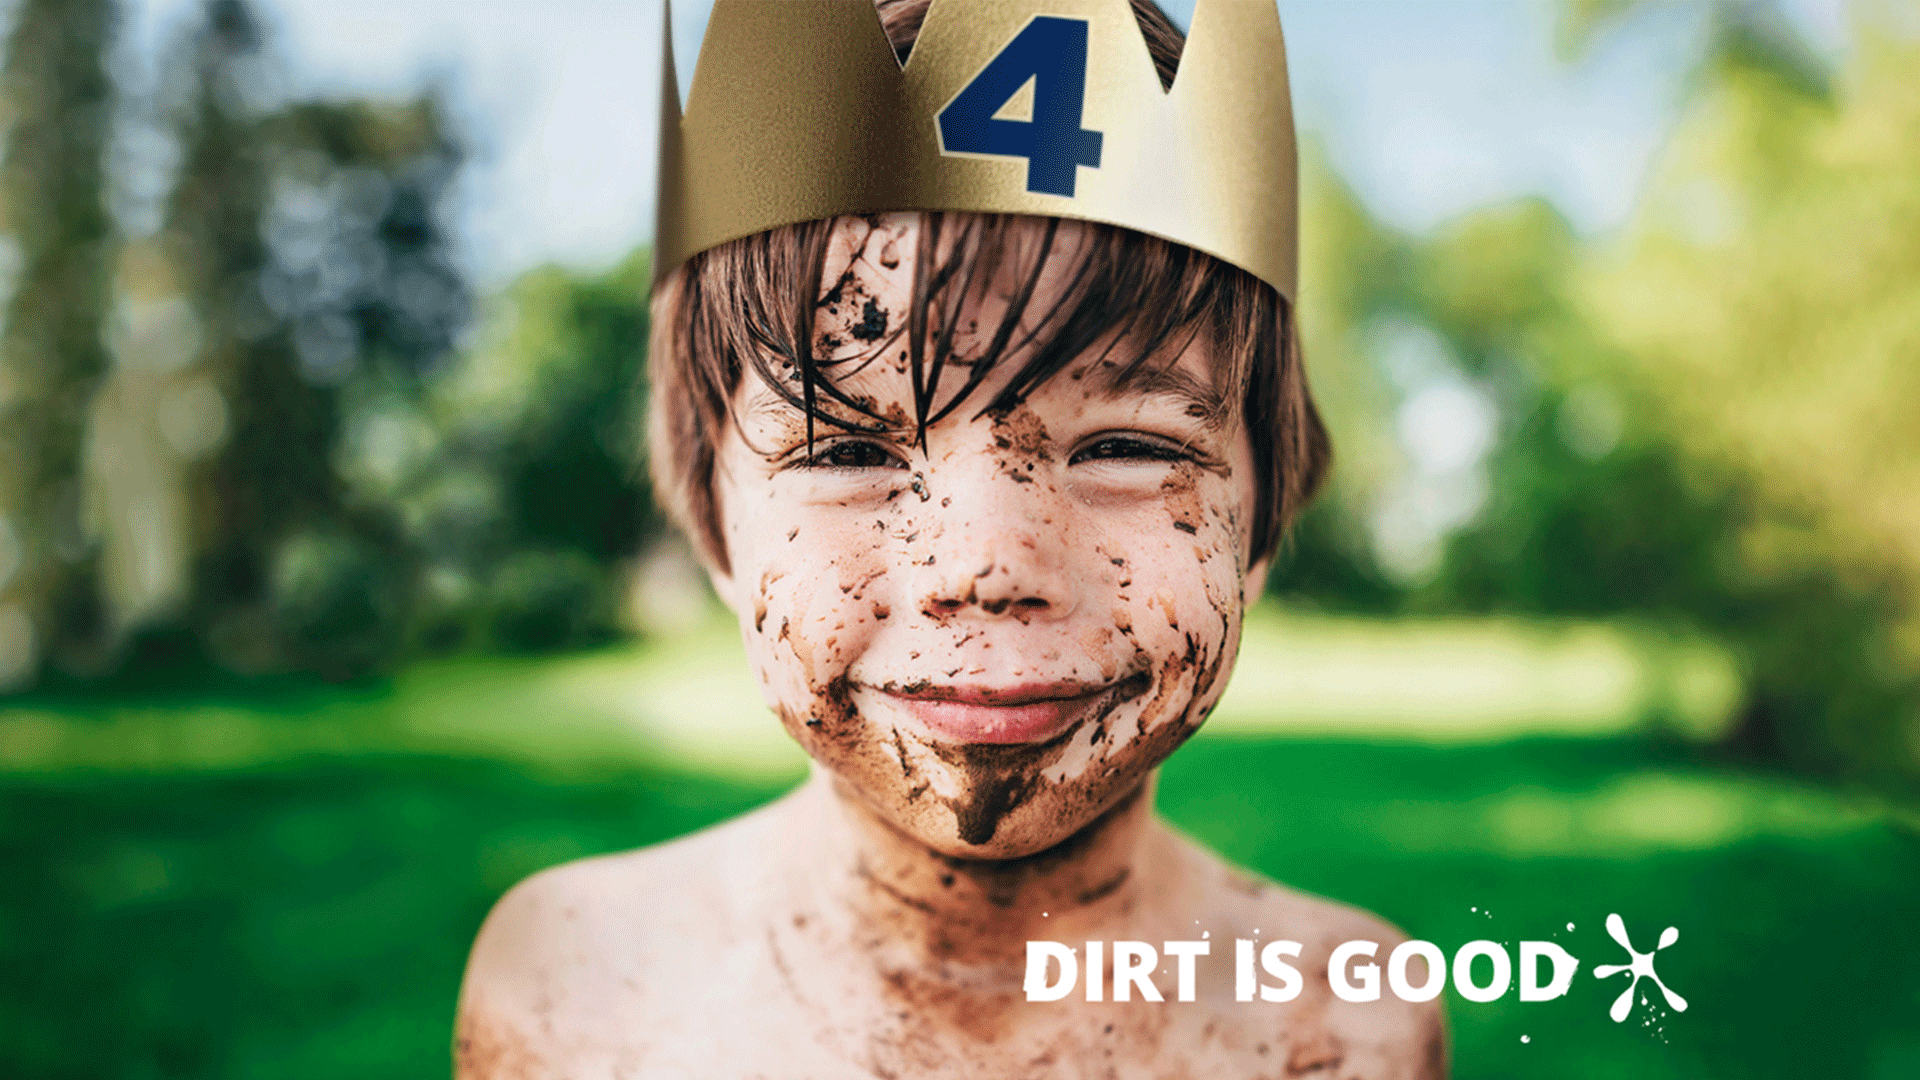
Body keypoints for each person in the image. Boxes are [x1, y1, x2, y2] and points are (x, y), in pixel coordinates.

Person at [455, 1, 1446, 1076]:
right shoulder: (573, 987)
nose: (987, 569)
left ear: (1259, 516)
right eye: (844, 455)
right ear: (717, 529)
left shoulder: (1346, 1024)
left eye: (1125, 444)